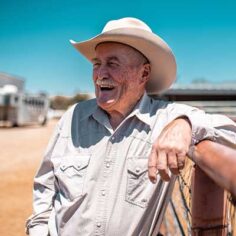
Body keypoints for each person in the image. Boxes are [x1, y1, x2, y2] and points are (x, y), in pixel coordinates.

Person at [26, 17, 236, 236]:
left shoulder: (166, 118)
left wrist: (185, 124)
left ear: (144, 73)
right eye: (97, 64)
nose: (100, 74)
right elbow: (46, 185)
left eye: (112, 64)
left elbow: (229, 130)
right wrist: (38, 230)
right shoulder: (72, 117)